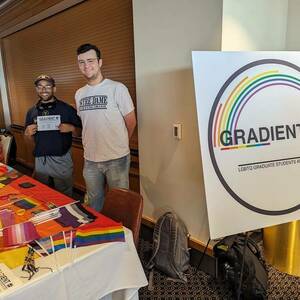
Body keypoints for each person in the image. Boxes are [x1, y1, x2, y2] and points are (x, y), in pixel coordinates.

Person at [75, 43, 136, 211]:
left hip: (116, 159)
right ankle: (99, 235)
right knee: (95, 203)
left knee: (119, 203)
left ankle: (120, 236)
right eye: (81, 62)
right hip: (91, 160)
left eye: (90, 60)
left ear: (100, 62)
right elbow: (88, 123)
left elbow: (131, 122)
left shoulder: (117, 88)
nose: (86, 66)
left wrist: (121, 143)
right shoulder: (79, 94)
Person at [25, 74, 82, 197]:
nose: (43, 90)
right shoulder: (31, 111)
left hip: (61, 159)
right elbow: (28, 139)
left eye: (48, 86)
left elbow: (80, 133)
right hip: (41, 160)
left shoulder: (67, 109)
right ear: (36, 89)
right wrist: (27, 133)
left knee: (64, 195)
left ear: (54, 89)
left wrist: (71, 128)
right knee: (42, 195)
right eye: (40, 87)